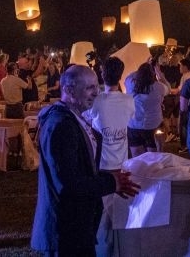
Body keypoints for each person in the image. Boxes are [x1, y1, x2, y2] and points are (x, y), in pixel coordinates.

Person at [32, 64, 139, 256]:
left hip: (77, 225)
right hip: (65, 228)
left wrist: (109, 178)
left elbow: (81, 169)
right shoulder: (61, 125)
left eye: (96, 86)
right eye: (89, 87)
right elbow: (67, 183)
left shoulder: (74, 119)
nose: (95, 92)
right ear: (68, 90)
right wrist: (111, 182)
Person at [86, 56, 136, 169]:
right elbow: (131, 118)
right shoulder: (129, 100)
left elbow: (86, 119)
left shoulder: (97, 100)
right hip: (122, 162)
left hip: (101, 162)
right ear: (120, 76)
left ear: (103, 75)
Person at [126, 60, 170, 157]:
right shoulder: (159, 87)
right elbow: (168, 88)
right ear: (152, 74)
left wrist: (143, 66)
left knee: (137, 156)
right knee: (153, 157)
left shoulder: (130, 84)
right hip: (153, 125)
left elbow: (129, 76)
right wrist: (158, 71)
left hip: (134, 124)